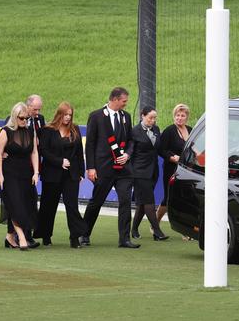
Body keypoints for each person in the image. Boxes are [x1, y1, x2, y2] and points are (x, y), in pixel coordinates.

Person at [81, 87, 139, 248]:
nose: (125, 104)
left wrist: (127, 154)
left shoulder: (126, 117)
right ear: (114, 99)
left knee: (126, 202)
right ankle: (84, 234)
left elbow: (131, 141)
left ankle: (124, 239)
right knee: (96, 202)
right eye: (124, 101)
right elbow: (90, 143)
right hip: (103, 168)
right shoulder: (96, 116)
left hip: (124, 170)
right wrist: (90, 168)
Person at [33, 102, 87, 248]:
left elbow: (79, 153)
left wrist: (81, 172)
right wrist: (59, 162)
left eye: (70, 115)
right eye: (65, 115)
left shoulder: (75, 129)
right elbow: (44, 151)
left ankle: (75, 237)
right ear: (59, 114)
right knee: (48, 206)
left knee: (72, 206)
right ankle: (45, 235)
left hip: (71, 175)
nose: (68, 118)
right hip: (52, 174)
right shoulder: (48, 130)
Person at [0, 102, 39, 250]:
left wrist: (36, 172)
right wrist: (0, 175)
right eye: (21, 118)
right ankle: (21, 237)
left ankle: (9, 237)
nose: (24, 121)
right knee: (15, 204)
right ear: (15, 117)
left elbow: (34, 152)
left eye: (26, 118)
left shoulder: (30, 131)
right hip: (10, 174)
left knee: (27, 205)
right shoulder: (5, 131)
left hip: (26, 174)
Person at [130, 107, 168, 241]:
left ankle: (134, 229)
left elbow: (159, 149)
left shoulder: (156, 130)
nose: (153, 120)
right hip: (139, 172)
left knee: (142, 202)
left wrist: (172, 157)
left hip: (153, 171)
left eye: (154, 118)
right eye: (150, 117)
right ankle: (157, 231)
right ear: (142, 116)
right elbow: (130, 152)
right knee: (149, 201)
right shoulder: (134, 131)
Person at [156, 104, 192, 225]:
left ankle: (184, 227)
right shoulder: (169, 131)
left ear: (187, 117)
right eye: (177, 115)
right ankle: (155, 223)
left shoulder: (191, 130)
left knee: (184, 199)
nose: (179, 118)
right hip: (171, 169)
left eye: (182, 115)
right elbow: (161, 150)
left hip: (187, 170)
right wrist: (172, 158)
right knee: (168, 199)